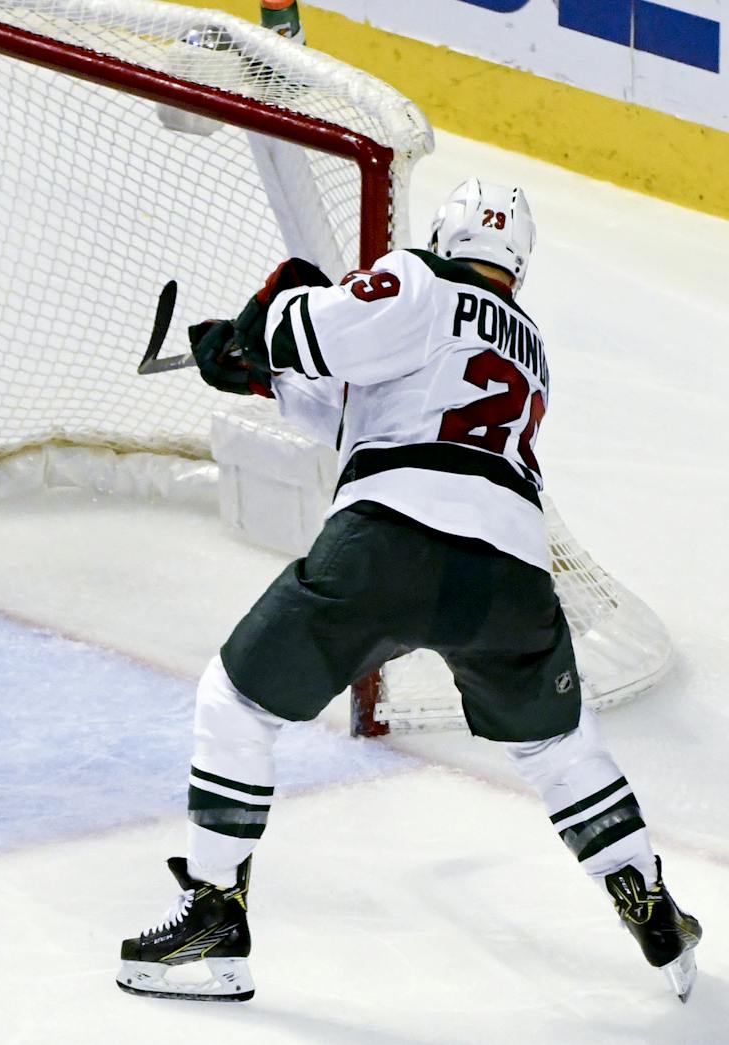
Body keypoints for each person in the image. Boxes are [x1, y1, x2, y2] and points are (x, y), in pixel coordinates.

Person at [115, 178, 702, 1003]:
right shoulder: (528, 344)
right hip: (511, 570)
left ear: (444, 232)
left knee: (235, 703)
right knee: (558, 745)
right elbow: (372, 413)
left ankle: (213, 919)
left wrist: (264, 325)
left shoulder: (419, 278)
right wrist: (265, 376)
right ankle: (650, 901)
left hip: (388, 541)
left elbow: (307, 322)